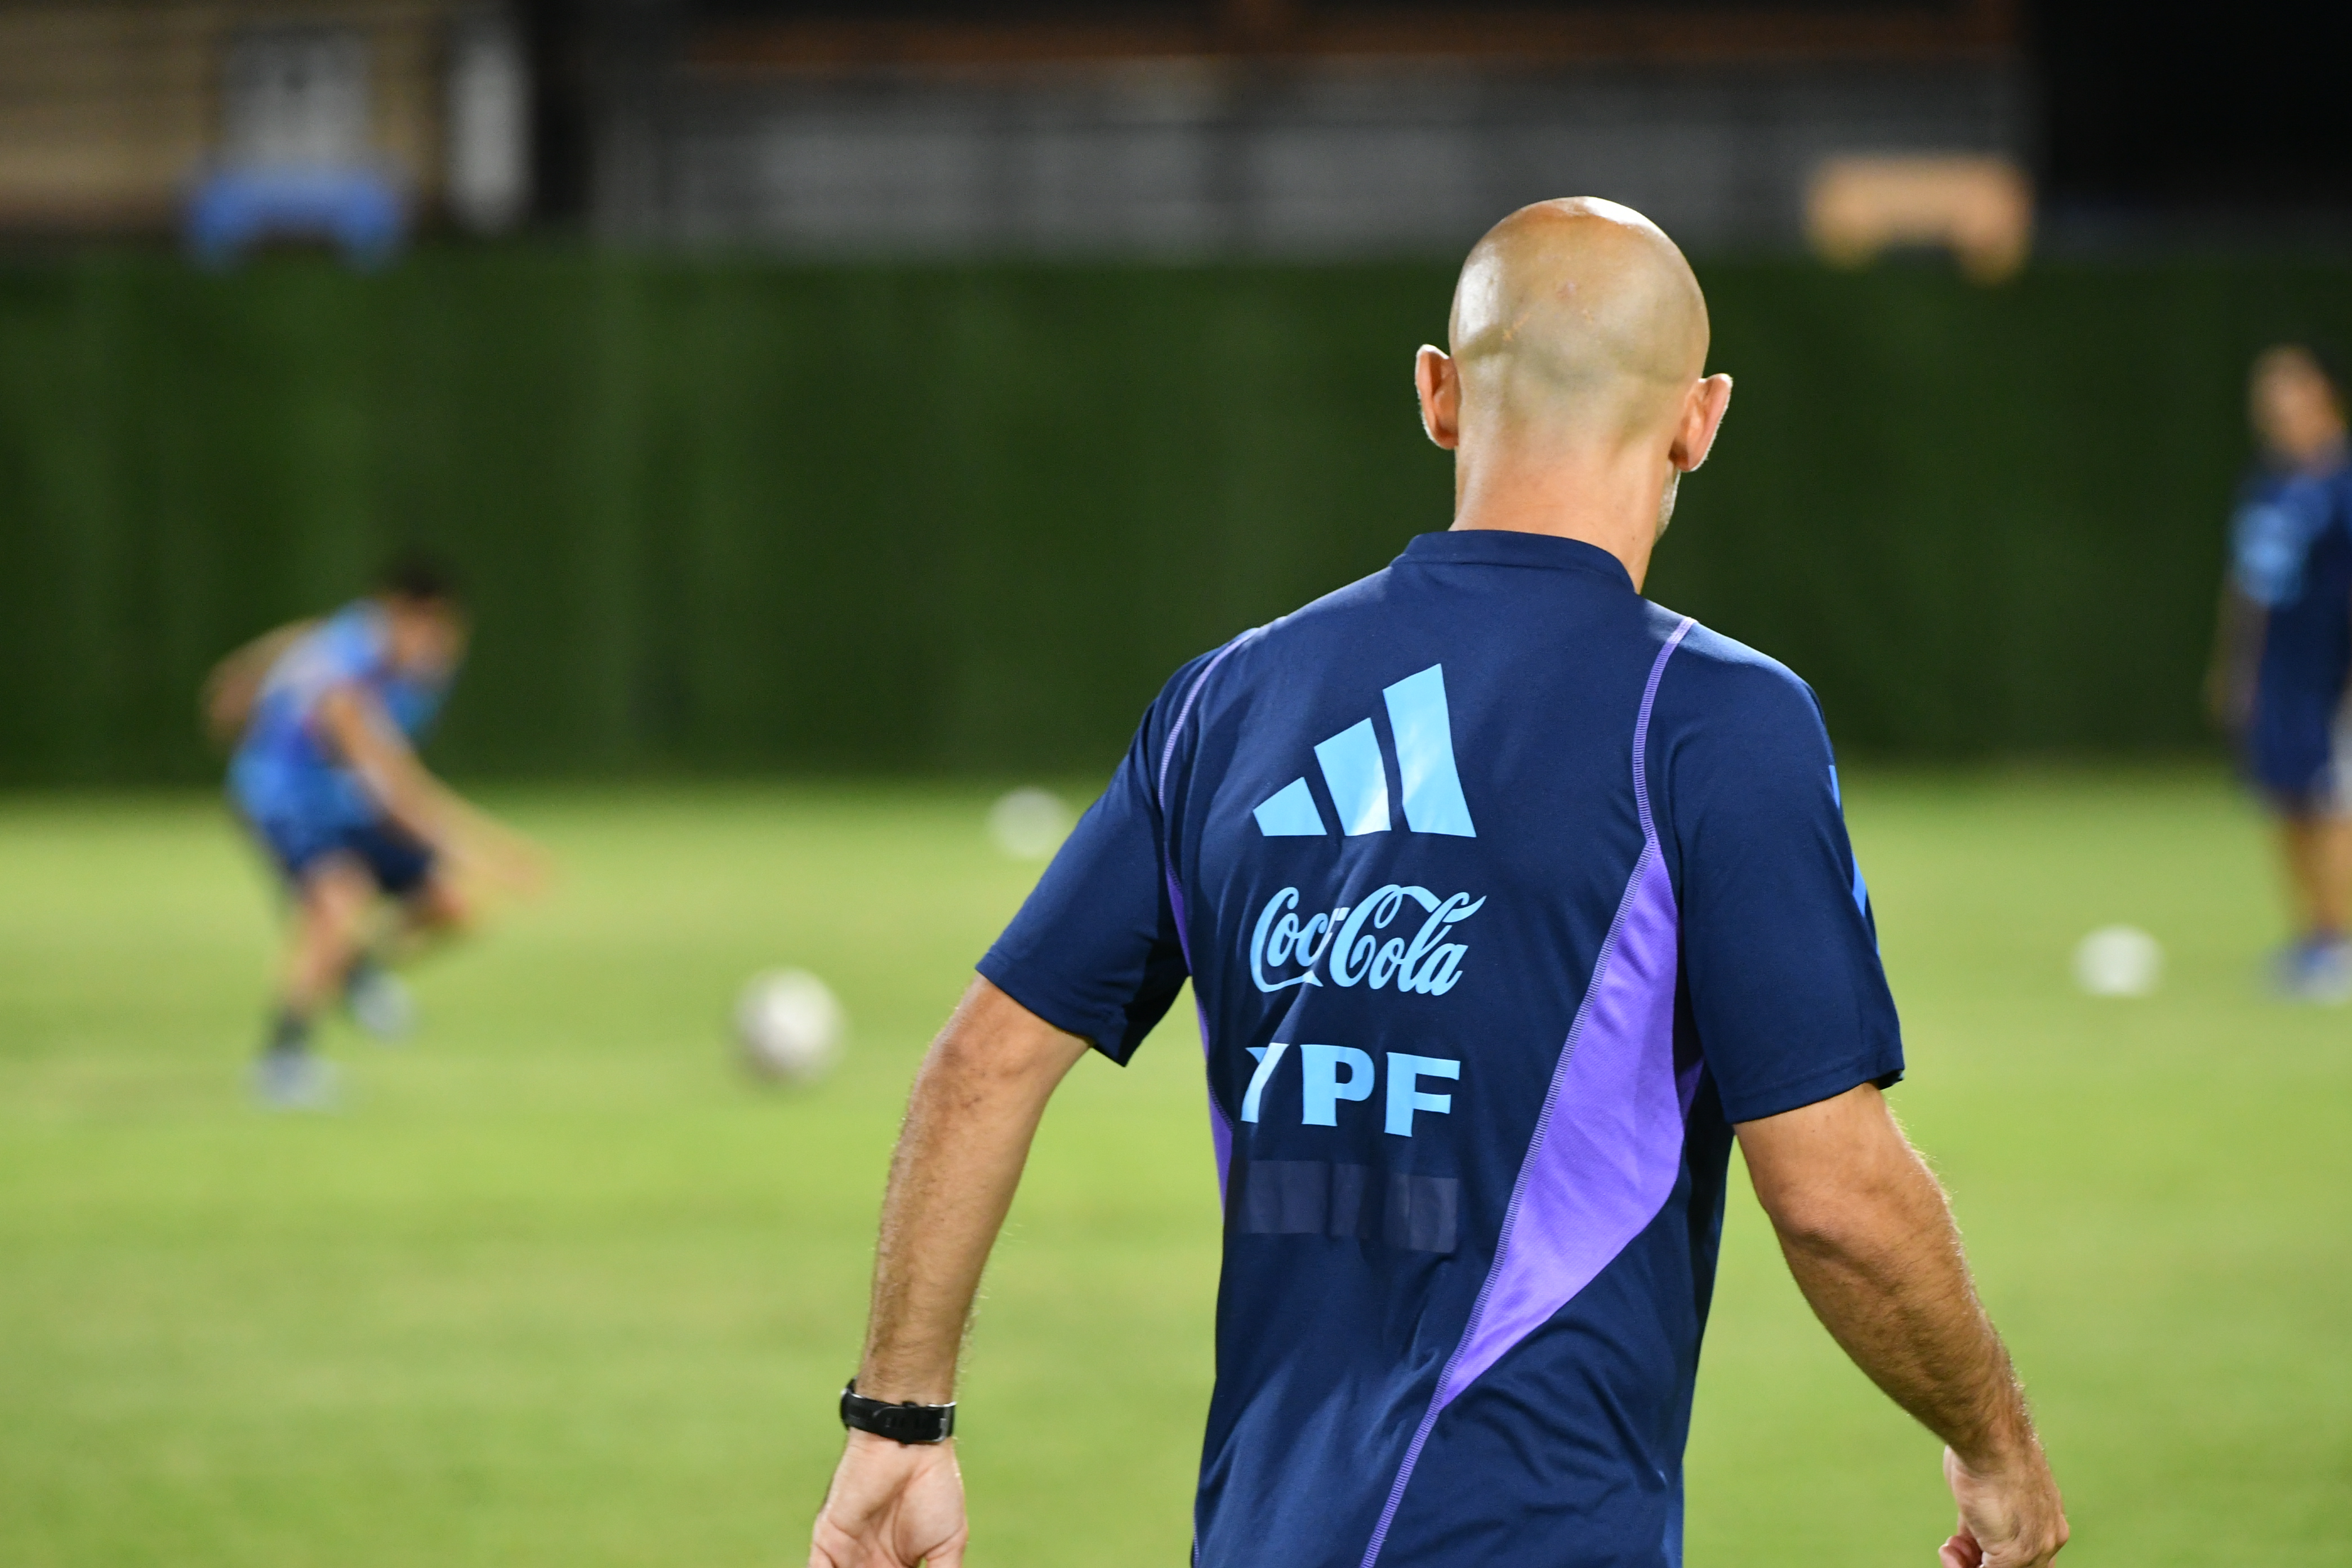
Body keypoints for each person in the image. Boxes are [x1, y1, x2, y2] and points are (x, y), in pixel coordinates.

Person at [809, 199, 2068, 1568]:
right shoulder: (1706, 719)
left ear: (1436, 393)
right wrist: (1995, 1447)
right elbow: (1832, 1195)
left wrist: (896, 1425)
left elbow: (981, 1064)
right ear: (1699, 420)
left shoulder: (1228, 700)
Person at [206, 553, 544, 1109]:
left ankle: (355, 971)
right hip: (283, 799)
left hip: (344, 800)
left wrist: (242, 673)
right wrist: (487, 851)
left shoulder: (394, 652)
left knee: (452, 909)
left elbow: (302, 637)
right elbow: (393, 782)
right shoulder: (347, 682)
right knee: (338, 899)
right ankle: (282, 1064)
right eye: (429, 629)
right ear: (401, 617)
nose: (440, 645)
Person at [2208, 344, 2352, 1000]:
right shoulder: (2269, 485)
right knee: (2287, 797)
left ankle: (2342, 941)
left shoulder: (2341, 485)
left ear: (2324, 393)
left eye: (2290, 389)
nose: (2276, 405)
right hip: (2280, 672)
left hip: (2333, 671)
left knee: (2333, 805)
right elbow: (2250, 586)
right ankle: (2315, 938)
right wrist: (2235, 667)